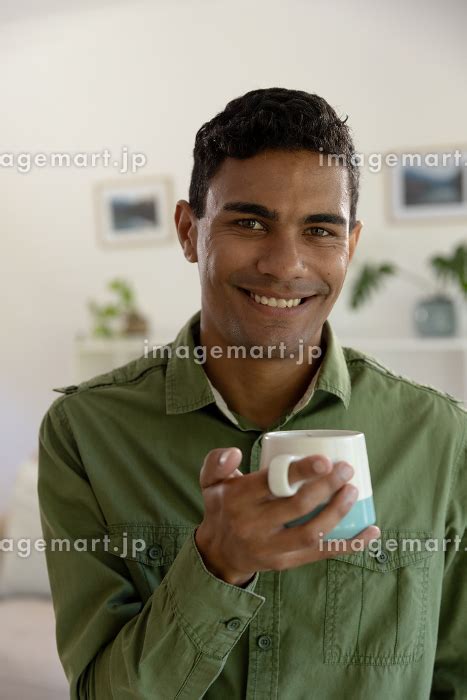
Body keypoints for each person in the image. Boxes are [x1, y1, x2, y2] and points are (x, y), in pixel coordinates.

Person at [38, 87, 467, 699]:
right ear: (190, 232)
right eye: (249, 222)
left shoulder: (442, 437)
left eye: (320, 230)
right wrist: (215, 566)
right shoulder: (84, 434)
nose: (284, 264)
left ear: (349, 245)